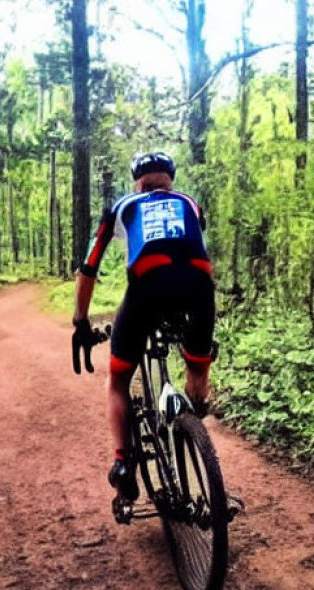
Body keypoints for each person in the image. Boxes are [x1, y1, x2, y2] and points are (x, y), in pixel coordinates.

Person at [71, 151, 215, 502]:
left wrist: (80, 321)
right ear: (171, 181)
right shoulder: (190, 203)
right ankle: (194, 418)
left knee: (118, 377)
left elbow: (89, 268)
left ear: (138, 182)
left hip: (146, 290)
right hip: (199, 289)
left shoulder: (124, 204)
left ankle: (123, 463)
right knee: (198, 358)